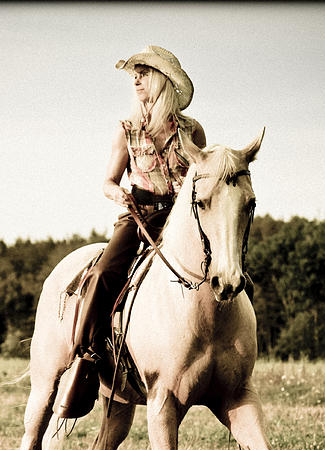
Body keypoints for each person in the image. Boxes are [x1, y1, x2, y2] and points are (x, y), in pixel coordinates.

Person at [57, 46, 207, 419]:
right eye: (134, 74)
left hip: (180, 219)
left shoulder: (193, 131)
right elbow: (107, 181)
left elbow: (200, 182)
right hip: (136, 215)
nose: (136, 79)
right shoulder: (126, 130)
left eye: (143, 72)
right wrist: (118, 194)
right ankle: (89, 357)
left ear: (163, 80)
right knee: (105, 272)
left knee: (221, 269)